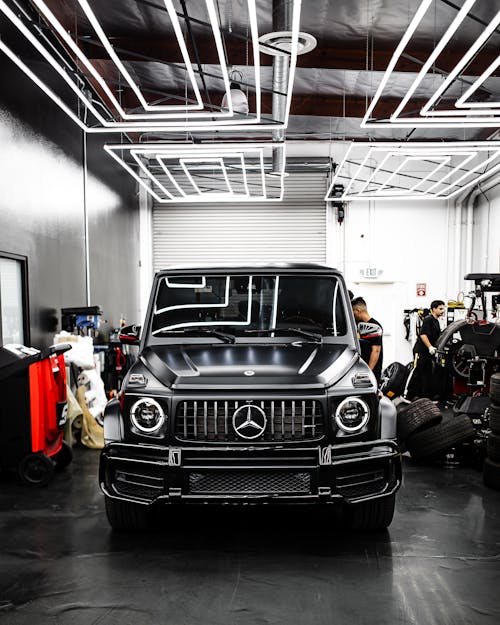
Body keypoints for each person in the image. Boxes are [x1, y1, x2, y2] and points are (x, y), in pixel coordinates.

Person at [409, 299, 445, 399]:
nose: (443, 311)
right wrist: (429, 347)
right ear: (433, 309)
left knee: (427, 374)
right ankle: (411, 395)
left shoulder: (436, 321)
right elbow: (423, 335)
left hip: (429, 353)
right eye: (440, 309)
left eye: (443, 309)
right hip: (421, 351)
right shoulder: (428, 319)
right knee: (418, 372)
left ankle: (423, 396)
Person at [351, 297, 384, 384]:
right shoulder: (359, 325)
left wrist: (368, 372)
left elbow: (376, 351)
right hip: (362, 368)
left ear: (358, 310)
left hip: (371, 369)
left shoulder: (373, 326)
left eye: (352, 311)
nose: (352, 314)